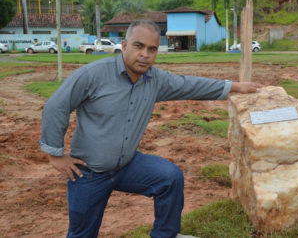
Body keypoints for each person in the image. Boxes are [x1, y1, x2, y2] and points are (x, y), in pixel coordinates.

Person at [40, 19, 262, 238]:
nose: (145, 54)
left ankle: (166, 234)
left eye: (152, 49)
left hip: (127, 166)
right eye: (139, 46)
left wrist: (236, 86)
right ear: (125, 46)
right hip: (88, 173)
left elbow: (190, 85)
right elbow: (55, 107)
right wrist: (55, 155)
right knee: (81, 234)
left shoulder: (155, 80)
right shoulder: (93, 74)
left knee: (170, 177)